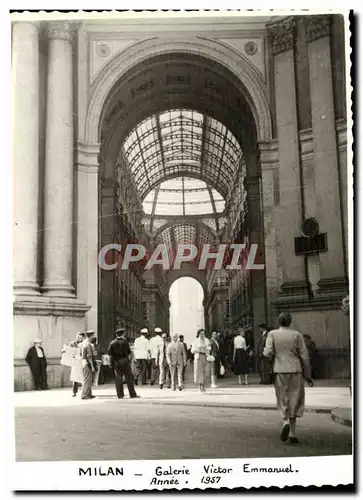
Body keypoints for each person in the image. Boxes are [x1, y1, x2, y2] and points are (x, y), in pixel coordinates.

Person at [264, 312, 313, 444]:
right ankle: (293, 433)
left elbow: (267, 352)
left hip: (280, 369)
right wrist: (308, 375)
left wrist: (271, 356)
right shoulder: (297, 335)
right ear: (290, 322)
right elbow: (305, 356)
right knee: (295, 399)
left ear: (278, 322)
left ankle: (285, 421)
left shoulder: (272, 334)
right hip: (296, 369)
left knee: (282, 397)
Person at [107, 326, 139, 399]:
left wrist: (109, 363)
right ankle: (132, 394)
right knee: (129, 378)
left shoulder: (112, 343)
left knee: (118, 378)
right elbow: (129, 352)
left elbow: (110, 354)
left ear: (116, 335)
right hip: (125, 361)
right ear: (123, 334)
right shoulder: (125, 342)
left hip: (116, 362)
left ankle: (120, 395)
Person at [62, 332, 85, 397]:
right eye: (78, 337)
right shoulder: (73, 343)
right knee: (75, 377)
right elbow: (68, 350)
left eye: (80, 337)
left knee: (83, 377)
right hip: (75, 362)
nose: (79, 338)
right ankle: (74, 392)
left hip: (82, 361)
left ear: (83, 338)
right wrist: (64, 351)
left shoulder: (84, 344)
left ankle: (84, 391)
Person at [191, 328, 211, 393]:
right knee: (199, 372)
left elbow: (209, 348)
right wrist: (199, 349)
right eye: (201, 334)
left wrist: (207, 348)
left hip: (205, 356)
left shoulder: (207, 340)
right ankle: (200, 387)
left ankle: (203, 386)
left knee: (206, 371)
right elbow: (192, 350)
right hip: (199, 356)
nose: (202, 335)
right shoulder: (195, 341)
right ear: (198, 334)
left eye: (203, 334)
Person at [80, 330, 97, 400]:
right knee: (87, 379)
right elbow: (89, 356)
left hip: (84, 362)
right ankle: (84, 395)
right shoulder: (88, 344)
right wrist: (92, 366)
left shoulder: (84, 343)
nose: (93, 337)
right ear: (90, 336)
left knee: (88, 379)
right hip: (87, 363)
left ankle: (88, 394)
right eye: (93, 335)